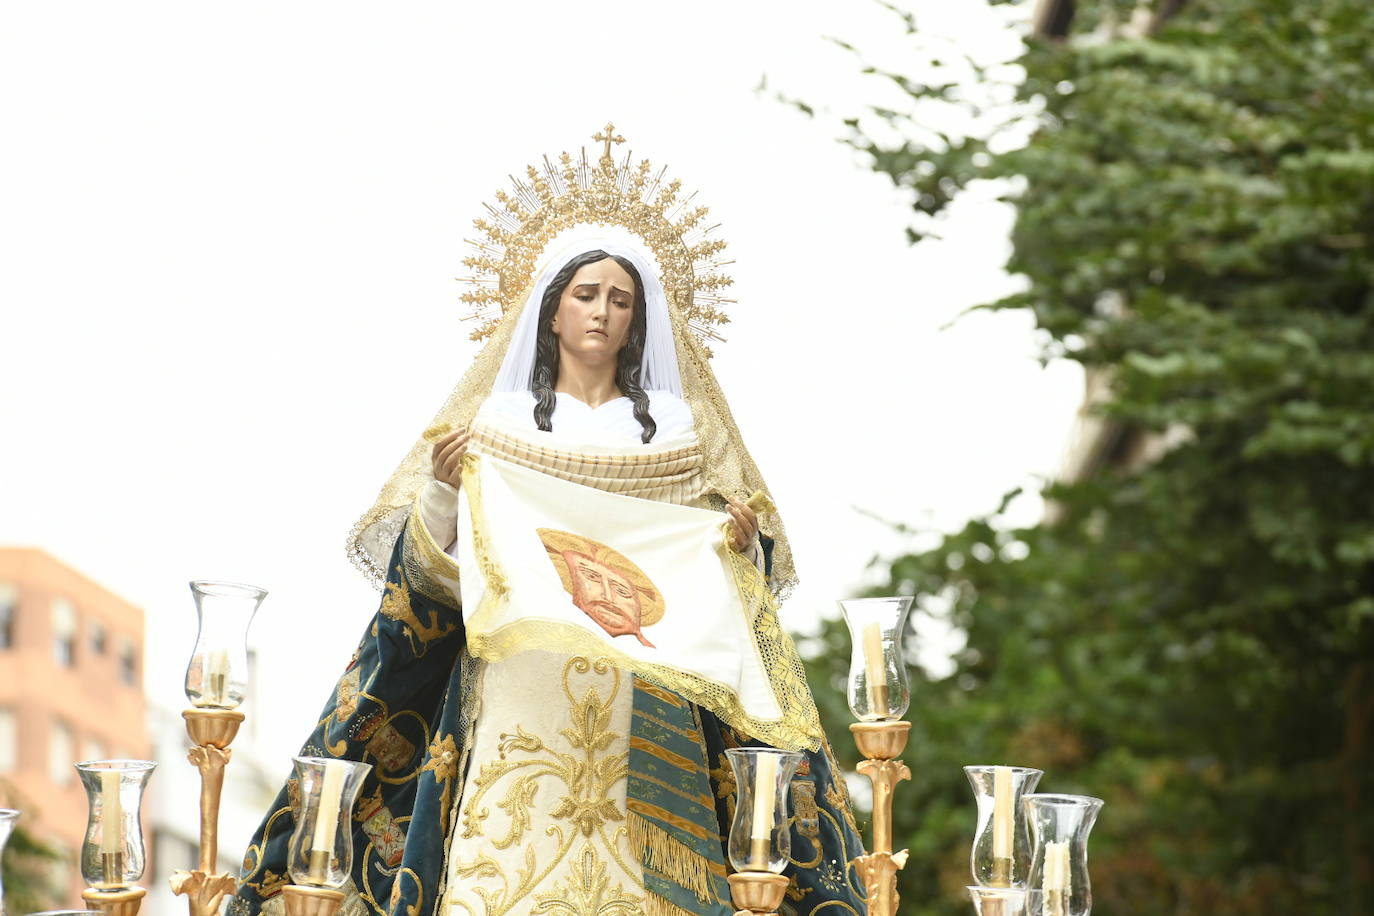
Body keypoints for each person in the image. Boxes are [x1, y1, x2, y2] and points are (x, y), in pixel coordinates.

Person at [232, 142, 868, 916]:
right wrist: (440, 495)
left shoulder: (682, 431)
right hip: (521, 683)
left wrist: (738, 548)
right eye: (587, 294)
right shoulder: (494, 428)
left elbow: (732, 592)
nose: (603, 313)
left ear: (640, 321)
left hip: (652, 685)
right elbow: (436, 585)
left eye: (622, 301)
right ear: (552, 309)